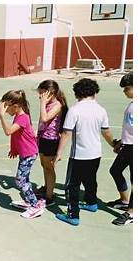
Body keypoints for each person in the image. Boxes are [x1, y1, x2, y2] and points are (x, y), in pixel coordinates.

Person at [53, 78, 115, 226]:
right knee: (90, 179)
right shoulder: (101, 110)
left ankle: (73, 215)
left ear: (77, 93)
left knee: (72, 186)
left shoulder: (75, 110)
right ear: (95, 92)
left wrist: (59, 153)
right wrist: (114, 144)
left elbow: (67, 133)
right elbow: (106, 131)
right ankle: (92, 203)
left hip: (79, 155)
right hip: (96, 154)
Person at [0, 89, 45, 219]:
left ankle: (35, 206)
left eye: (7, 107)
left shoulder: (23, 118)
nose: (6, 110)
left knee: (20, 180)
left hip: (29, 154)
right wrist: (14, 149)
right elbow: (16, 136)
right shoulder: (18, 116)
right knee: (24, 179)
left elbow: (8, 132)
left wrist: (1, 115)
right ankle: (29, 201)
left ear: (16, 106)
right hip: (25, 153)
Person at [34, 80, 68, 207]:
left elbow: (45, 118)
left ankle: (49, 196)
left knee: (49, 167)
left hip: (51, 140)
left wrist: (42, 103)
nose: (40, 96)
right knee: (44, 165)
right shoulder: (47, 103)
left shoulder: (57, 105)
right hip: (42, 138)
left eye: (42, 93)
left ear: (51, 93)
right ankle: (46, 187)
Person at [108, 72, 133, 226]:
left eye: (127, 88)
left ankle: (132, 212)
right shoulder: (132, 103)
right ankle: (125, 200)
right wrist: (121, 143)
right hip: (128, 145)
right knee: (115, 170)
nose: (124, 91)